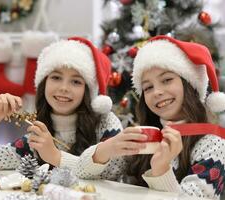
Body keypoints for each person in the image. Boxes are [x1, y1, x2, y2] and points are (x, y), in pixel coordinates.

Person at [75, 35, 225, 199]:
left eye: (167, 80)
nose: (157, 92)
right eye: (148, 88)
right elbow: (82, 175)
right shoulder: (146, 138)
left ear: (190, 84)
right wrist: (106, 148)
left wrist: (161, 170)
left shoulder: (213, 144)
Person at [0, 36, 123, 171]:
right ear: (43, 83)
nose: (64, 88)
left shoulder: (106, 123)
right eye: (56, 77)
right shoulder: (36, 139)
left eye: (76, 82)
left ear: (88, 91)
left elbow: (113, 171)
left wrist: (55, 157)